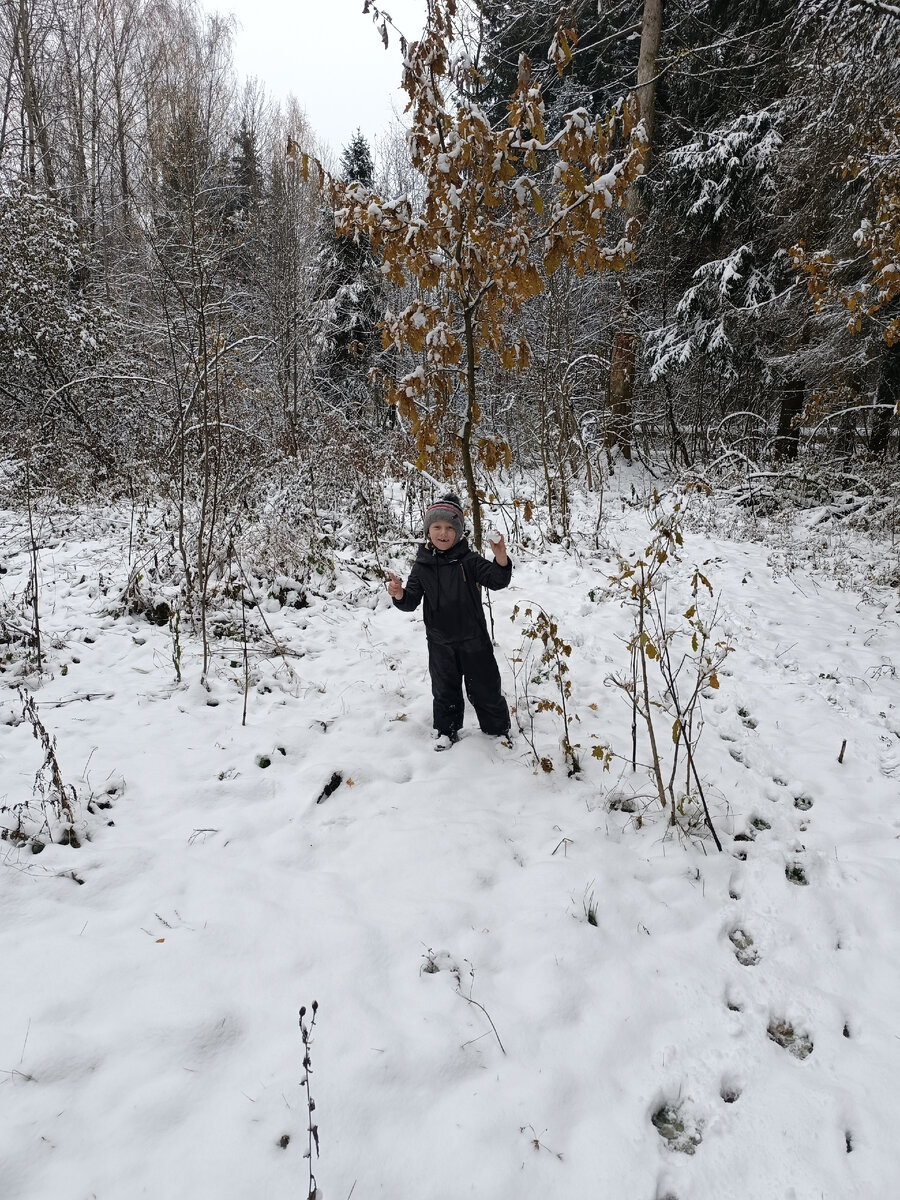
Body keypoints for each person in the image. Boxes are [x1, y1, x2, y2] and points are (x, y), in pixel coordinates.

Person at [386, 493, 512, 750]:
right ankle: (446, 731)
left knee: (486, 687)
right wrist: (399, 594)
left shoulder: (470, 560)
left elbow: (498, 580)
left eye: (449, 528)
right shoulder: (422, 566)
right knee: (444, 691)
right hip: (440, 643)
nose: (443, 533)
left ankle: (497, 731)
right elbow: (411, 601)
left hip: (473, 640)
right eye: (437, 527)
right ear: (428, 531)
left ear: (458, 531)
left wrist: (500, 558)